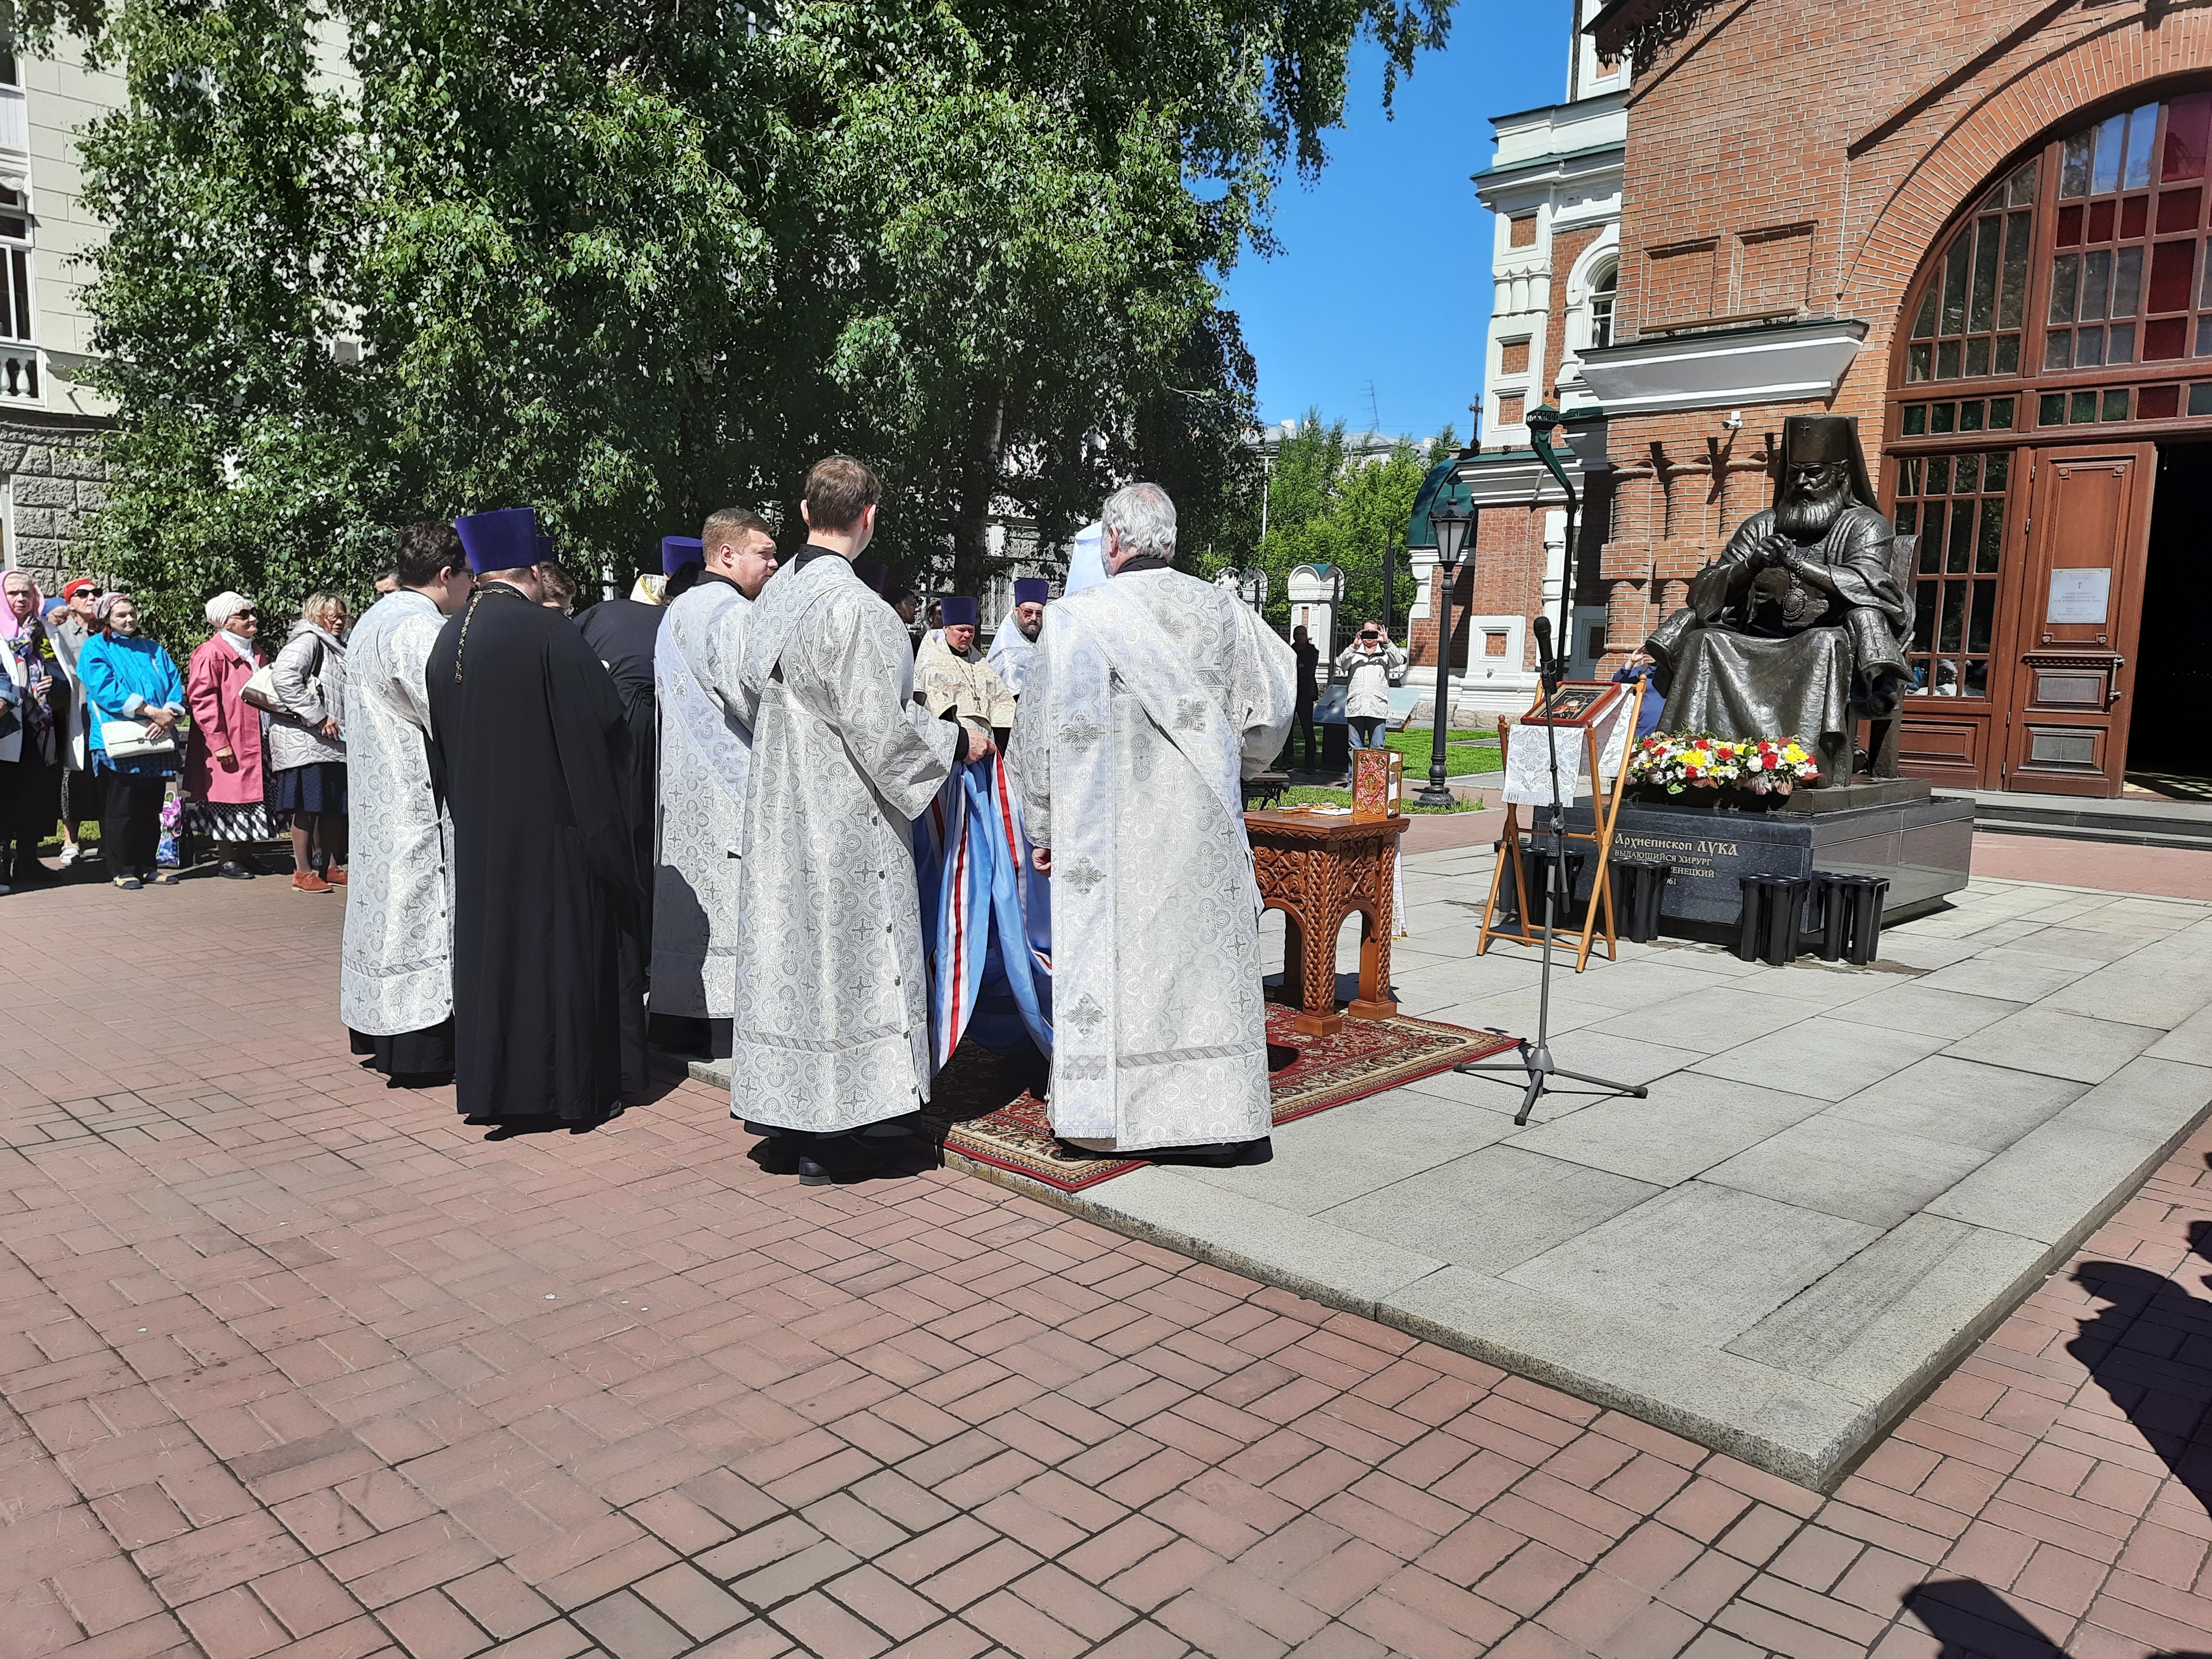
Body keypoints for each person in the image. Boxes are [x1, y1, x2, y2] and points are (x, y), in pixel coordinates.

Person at [1011, 481, 1296, 1161]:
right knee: (1196, 973)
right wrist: (1238, 767)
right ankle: (1214, 1121)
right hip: (1198, 828)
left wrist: (1043, 828)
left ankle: (1106, 1125)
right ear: (1170, 540)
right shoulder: (1224, 611)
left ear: (1113, 541)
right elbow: (1273, 705)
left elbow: (1037, 736)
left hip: (1104, 839)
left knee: (1119, 973)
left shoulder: (1076, 619)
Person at [729, 455, 987, 1183]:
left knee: (794, 963)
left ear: (806, 513)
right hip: (847, 821)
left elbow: (751, 697)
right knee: (852, 965)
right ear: (868, 518)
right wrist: (957, 739)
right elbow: (885, 735)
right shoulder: (862, 612)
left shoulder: (773, 597)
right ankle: (846, 1139)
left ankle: (785, 1123)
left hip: (781, 806)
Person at [426, 507, 647, 1127]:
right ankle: (564, 1093)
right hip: (557, 841)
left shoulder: (451, 636)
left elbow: (438, 747)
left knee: (496, 966)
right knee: (557, 966)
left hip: (483, 840)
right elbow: (602, 731)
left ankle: (495, 1091)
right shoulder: (548, 633)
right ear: (532, 570)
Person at [343, 524, 474, 1087]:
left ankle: (382, 1032)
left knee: (385, 909)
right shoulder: (422, 629)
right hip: (416, 794)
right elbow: (447, 710)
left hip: (376, 792)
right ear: (447, 576)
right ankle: (422, 1045)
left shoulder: (375, 617)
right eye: (468, 578)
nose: (471, 588)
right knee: (419, 912)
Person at [651, 509, 777, 1057]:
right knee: (729, 907)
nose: (774, 564)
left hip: (682, 789)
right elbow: (762, 704)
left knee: (688, 912)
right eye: (765, 553)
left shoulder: (678, 609)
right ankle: (722, 1028)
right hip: (730, 791)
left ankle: (679, 1019)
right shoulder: (732, 615)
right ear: (727, 555)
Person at [578, 537, 682, 1007]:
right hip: (648, 741)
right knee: (643, 844)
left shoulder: (602, 615)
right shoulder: (679, 621)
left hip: (600, 735)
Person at [75, 593, 186, 890]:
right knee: (121, 808)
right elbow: (104, 689)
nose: (129, 619)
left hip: (157, 737)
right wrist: (148, 711)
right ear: (105, 619)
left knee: (151, 807)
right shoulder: (96, 648)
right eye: (121, 615)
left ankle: (148, 865)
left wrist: (171, 714)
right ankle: (123, 868)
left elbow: (175, 683)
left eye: (132, 613)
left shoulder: (153, 648)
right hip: (119, 739)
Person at [184, 592, 277, 879]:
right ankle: (226, 859)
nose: (253, 618)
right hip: (230, 740)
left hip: (256, 737)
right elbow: (202, 701)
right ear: (225, 622)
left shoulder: (256, 651)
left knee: (252, 798)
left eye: (252, 612)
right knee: (228, 799)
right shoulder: (211, 653)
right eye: (244, 615)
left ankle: (246, 856)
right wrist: (219, 742)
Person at [267, 592, 351, 894]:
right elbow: (285, 678)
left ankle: (331, 867)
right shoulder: (308, 641)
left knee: (334, 807)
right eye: (333, 616)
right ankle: (302, 872)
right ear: (317, 615)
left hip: (332, 741)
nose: (339, 621)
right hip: (306, 741)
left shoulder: (338, 646)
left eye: (343, 616)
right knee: (307, 807)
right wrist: (317, 717)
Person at [0, 570, 63, 885]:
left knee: (31, 796)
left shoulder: (41, 631)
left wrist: (52, 681)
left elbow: (65, 671)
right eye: (13, 594)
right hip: (5, 728)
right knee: (4, 797)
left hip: (37, 726)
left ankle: (28, 860)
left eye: (26, 593)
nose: (21, 599)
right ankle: (3, 864)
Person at [48, 578, 103, 869]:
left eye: (96, 593)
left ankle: (109, 838)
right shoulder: (60, 633)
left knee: (107, 777)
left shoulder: (109, 632)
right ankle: (71, 841)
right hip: (74, 714)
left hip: (107, 716)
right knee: (73, 778)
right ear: (70, 602)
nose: (91, 597)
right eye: (83, 594)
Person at [913, 595, 1018, 741]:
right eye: (961, 630)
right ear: (946, 629)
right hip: (955, 744)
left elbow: (1003, 704)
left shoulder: (982, 664)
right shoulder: (932, 665)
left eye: (971, 630)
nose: (968, 635)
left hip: (989, 745)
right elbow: (939, 713)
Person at [1334, 620, 1407, 781]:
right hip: (1356, 707)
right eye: (1366, 632)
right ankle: (1354, 782)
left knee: (1378, 748)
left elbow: (1398, 661)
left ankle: (1376, 783)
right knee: (1355, 748)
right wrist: (1354, 646)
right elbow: (1341, 663)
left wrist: (1387, 642)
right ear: (1361, 633)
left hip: (1377, 707)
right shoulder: (1354, 653)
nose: (1370, 636)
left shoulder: (1385, 653)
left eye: (1374, 632)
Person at [984, 578, 1047, 696]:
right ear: (1016, 611)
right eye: (1028, 612)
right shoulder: (1006, 652)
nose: (1034, 618)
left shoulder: (1050, 640)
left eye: (1039, 613)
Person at [1290, 624, 1320, 773]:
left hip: (1306, 695)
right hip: (1290, 694)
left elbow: (1307, 671)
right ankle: (1287, 761)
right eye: (1298, 634)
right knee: (1287, 730)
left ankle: (1310, 764)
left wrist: (1297, 668)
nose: (1300, 636)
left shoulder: (1312, 652)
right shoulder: (1289, 650)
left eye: (1303, 634)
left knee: (1307, 729)